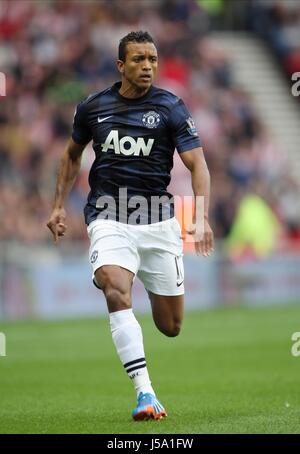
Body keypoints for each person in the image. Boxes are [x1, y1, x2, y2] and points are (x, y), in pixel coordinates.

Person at [47, 31, 214, 421]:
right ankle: (145, 393)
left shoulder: (172, 107)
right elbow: (71, 156)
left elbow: (198, 164)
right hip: (108, 216)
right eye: (139, 60)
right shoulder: (92, 108)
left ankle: (147, 363)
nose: (148, 67)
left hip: (158, 223)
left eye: (153, 59)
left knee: (170, 326)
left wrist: (201, 215)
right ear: (121, 65)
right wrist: (57, 205)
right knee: (115, 288)